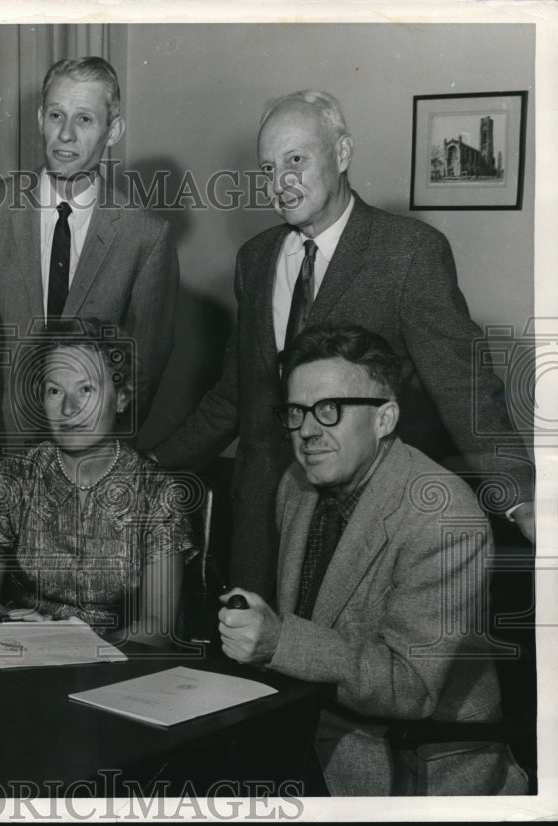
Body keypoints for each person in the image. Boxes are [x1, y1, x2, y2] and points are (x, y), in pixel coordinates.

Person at [152, 89, 534, 601]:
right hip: (262, 520)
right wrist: (151, 467)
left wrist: (520, 496)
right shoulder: (256, 259)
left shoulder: (408, 253)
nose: (281, 183)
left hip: (363, 522)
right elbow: (235, 394)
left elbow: (463, 384)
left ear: (343, 154)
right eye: (267, 169)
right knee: (254, 664)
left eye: (296, 160)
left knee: (351, 667)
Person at [218, 323, 527, 796]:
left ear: (385, 419)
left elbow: (410, 688)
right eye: (297, 411)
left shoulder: (441, 511)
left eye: (329, 410)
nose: (306, 431)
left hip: (410, 769)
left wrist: (279, 642)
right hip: (309, 736)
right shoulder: (296, 486)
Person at [0, 56, 179, 437]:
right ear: (41, 118)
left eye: (85, 119)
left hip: (88, 461)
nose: (65, 135)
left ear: (113, 131)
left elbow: (143, 369)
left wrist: (97, 448)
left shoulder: (145, 235)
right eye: (57, 116)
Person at [0, 320, 196, 645]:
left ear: (121, 399)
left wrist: (79, 646)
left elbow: (157, 627)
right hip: (22, 659)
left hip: (121, 672)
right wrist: (12, 624)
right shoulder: (12, 480)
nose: (69, 409)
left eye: (86, 389)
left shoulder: (157, 493)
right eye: (55, 391)